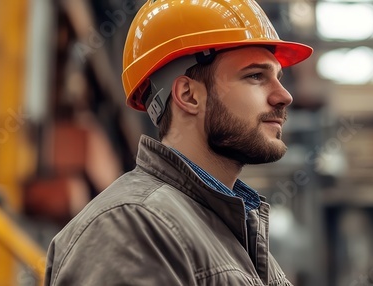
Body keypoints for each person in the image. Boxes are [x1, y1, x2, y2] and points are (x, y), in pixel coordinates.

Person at [44, 0, 312, 285]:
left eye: (278, 77)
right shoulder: (134, 226)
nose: (284, 96)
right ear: (188, 95)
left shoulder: (238, 238)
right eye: (256, 76)